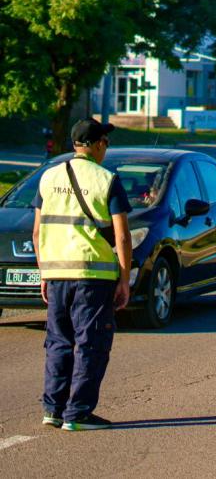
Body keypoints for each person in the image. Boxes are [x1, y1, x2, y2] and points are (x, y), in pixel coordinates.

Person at [32, 118, 132, 431]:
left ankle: (53, 409)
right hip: (93, 276)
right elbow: (122, 236)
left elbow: (37, 232)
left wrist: (44, 272)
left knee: (58, 342)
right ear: (99, 144)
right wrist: (124, 279)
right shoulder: (107, 180)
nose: (107, 149)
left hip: (56, 273)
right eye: (106, 143)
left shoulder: (48, 177)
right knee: (91, 343)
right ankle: (78, 414)